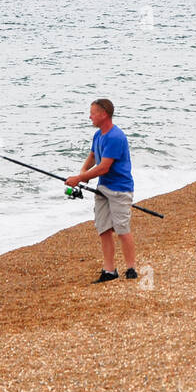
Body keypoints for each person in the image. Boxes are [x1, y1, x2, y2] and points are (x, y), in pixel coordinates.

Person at [67, 98, 137, 284]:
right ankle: (109, 270)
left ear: (103, 114)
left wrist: (79, 179)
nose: (90, 116)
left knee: (122, 230)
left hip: (120, 189)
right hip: (103, 188)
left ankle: (131, 268)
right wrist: (83, 173)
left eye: (93, 113)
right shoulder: (98, 136)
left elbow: (104, 167)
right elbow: (92, 156)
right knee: (104, 229)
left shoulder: (116, 137)